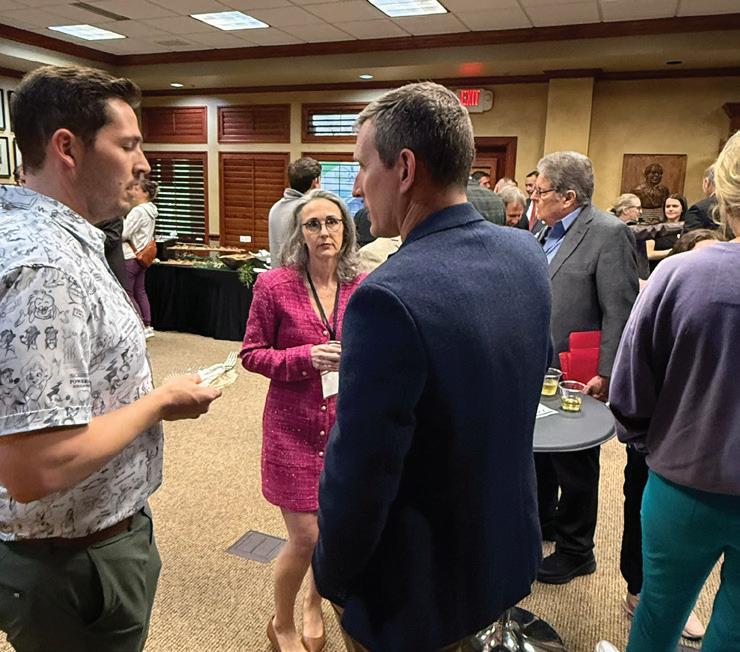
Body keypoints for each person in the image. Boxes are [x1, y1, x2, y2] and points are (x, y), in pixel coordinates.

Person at [312, 82, 552, 652]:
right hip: (505, 546)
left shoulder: (386, 297)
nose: (357, 187)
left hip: (419, 589)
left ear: (404, 169)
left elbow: (362, 471)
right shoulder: (525, 253)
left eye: (362, 166)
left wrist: (331, 575)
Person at [0, 65, 221, 652]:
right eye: (127, 146)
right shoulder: (45, 268)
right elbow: (36, 468)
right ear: (67, 148)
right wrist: (159, 401)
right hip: (73, 564)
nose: (143, 163)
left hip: (82, 544)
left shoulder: (56, 241)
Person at [597, 131, 740, 652]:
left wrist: (647, 444)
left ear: (720, 195)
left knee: (659, 611)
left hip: (684, 483)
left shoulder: (680, 274)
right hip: (687, 477)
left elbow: (631, 389)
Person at [241, 188, 364, 652]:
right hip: (291, 426)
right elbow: (252, 354)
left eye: (332, 222)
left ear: (346, 229)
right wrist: (304, 357)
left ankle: (315, 604)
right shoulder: (274, 286)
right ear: (300, 233)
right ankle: (282, 621)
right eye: (313, 224)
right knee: (306, 535)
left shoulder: (362, 286)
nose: (324, 232)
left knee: (330, 531)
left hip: (344, 427)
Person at [533, 151, 638, 585]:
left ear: (568, 196)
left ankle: (577, 550)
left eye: (540, 192)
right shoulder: (542, 228)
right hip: (541, 363)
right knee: (540, 451)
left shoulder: (609, 233)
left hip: (580, 369)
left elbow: (620, 309)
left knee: (575, 462)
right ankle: (546, 521)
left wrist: (609, 371)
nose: (534, 198)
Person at [122, 178, 158, 338]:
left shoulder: (138, 211)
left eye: (137, 189)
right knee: (140, 290)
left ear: (145, 193)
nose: (133, 192)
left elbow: (124, 234)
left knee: (128, 292)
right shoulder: (151, 210)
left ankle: (140, 325)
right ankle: (147, 324)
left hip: (130, 256)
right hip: (143, 256)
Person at [269, 157, 321, 266]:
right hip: (300, 274)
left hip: (277, 273)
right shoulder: (309, 210)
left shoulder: (275, 208)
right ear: (315, 182)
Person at [645, 193, 687, 265]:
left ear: (682, 209)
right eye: (667, 206)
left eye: (675, 206)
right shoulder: (655, 227)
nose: (670, 209)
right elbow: (649, 254)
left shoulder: (687, 227)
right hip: (657, 267)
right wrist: (672, 252)